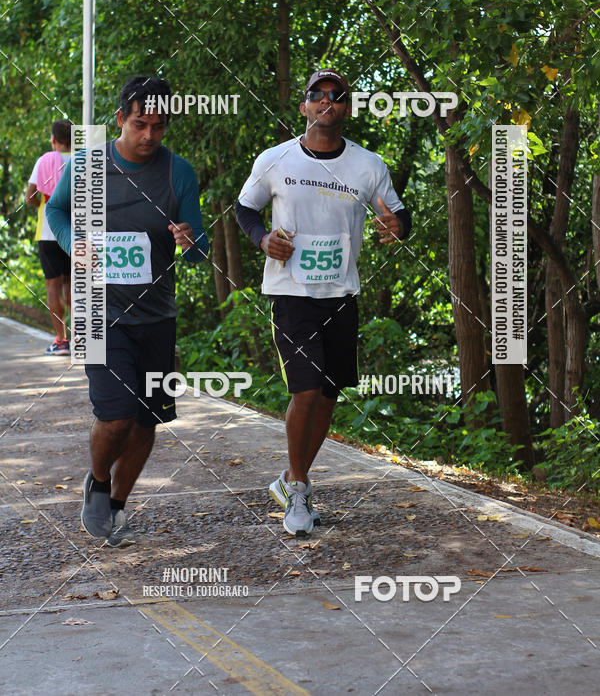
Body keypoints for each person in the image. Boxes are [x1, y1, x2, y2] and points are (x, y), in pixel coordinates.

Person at [236, 68, 411, 536]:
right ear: (304, 106)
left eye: (337, 96)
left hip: (341, 292)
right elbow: (244, 209)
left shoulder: (368, 165)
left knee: (330, 396)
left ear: (348, 108)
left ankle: (293, 477)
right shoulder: (275, 160)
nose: (327, 103)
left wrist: (396, 226)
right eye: (318, 95)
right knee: (306, 390)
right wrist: (262, 239)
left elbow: (396, 211)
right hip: (291, 293)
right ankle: (297, 492)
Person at [47, 77, 209, 547]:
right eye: (140, 124)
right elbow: (57, 212)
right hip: (99, 311)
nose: (149, 136)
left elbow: (198, 249)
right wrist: (71, 241)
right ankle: (97, 479)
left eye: (159, 127)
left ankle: (116, 505)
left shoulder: (178, 172)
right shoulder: (88, 166)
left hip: (157, 316)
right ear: (120, 119)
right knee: (116, 417)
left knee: (145, 422)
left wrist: (189, 241)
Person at [26, 120, 73, 355]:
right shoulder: (81, 160)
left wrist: (44, 201)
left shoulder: (44, 161)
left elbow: (30, 196)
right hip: (75, 233)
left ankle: (61, 341)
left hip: (48, 232)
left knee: (53, 286)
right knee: (74, 285)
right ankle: (82, 340)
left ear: (54, 140)